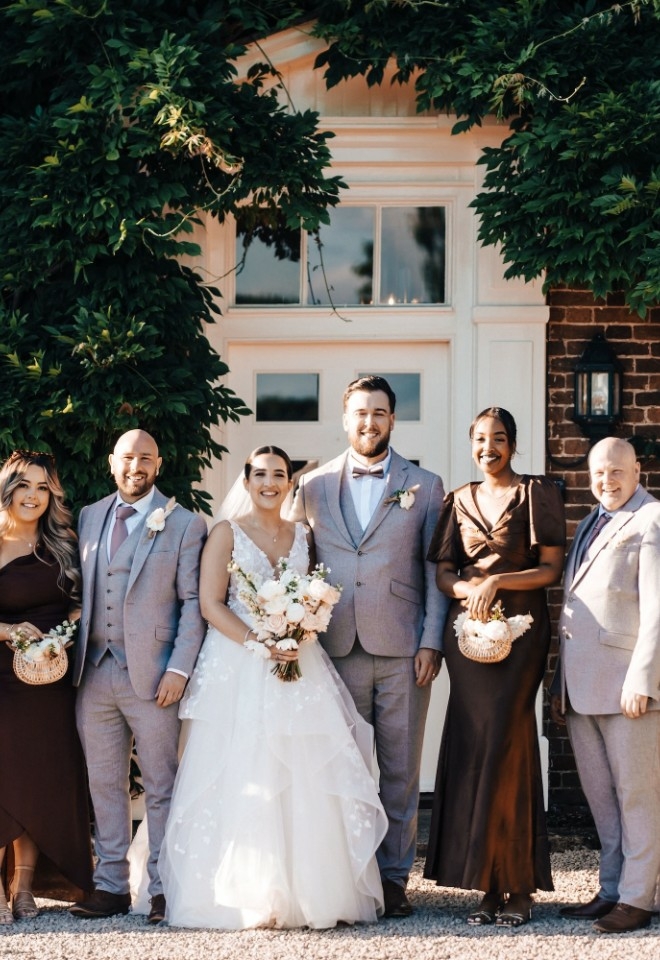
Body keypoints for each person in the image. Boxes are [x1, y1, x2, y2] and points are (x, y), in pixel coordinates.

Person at [155, 445, 387, 929]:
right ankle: (249, 893)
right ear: (246, 479)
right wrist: (259, 640)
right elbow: (211, 604)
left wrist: (301, 628)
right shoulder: (226, 533)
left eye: (278, 474)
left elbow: (312, 595)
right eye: (260, 474)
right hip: (239, 663)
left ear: (289, 483)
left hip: (298, 664)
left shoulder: (303, 535)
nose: (269, 482)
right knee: (242, 767)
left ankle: (310, 892)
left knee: (304, 769)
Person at [290, 376, 447, 918]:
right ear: (344, 418)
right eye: (360, 413)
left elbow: (433, 569)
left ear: (392, 420)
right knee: (345, 767)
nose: (369, 423)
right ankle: (351, 875)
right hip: (333, 648)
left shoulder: (425, 485)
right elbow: (296, 565)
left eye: (379, 413)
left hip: (403, 648)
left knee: (400, 770)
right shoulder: (310, 486)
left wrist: (432, 641)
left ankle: (395, 877)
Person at [423, 407, 565, 928]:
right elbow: (443, 570)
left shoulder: (536, 494)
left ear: (513, 445)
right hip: (467, 636)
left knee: (509, 743)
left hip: (522, 633)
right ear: (471, 444)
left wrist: (497, 582)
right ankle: (485, 883)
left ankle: (519, 885)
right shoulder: (457, 500)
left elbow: (552, 568)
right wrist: (466, 588)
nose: (490, 447)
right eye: (481, 439)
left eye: (499, 439)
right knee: (474, 744)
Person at [69, 429, 207, 923]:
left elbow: (194, 604)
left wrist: (179, 668)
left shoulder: (186, 524)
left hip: (154, 678)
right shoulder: (88, 517)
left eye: (145, 458)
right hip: (94, 672)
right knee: (103, 784)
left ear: (159, 464)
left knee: (161, 783)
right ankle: (110, 886)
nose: (136, 466)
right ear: (112, 462)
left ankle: (164, 887)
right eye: (128, 457)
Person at [551, 437, 660, 934]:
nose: (607, 481)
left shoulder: (652, 519)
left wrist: (645, 679)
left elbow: (657, 610)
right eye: (598, 473)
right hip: (582, 687)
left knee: (637, 796)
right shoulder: (591, 522)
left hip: (628, 689)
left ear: (637, 471)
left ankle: (639, 897)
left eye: (617, 471)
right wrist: (559, 683)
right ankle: (612, 887)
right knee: (602, 797)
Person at [0, 450, 93, 925]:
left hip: (49, 679)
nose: (33, 496)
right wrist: (8, 630)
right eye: (24, 485)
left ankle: (23, 888)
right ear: (7, 488)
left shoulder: (64, 544)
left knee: (40, 778)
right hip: (1, 677)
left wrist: (63, 636)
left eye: (42, 487)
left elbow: (83, 604)